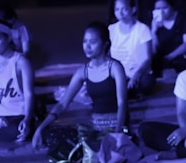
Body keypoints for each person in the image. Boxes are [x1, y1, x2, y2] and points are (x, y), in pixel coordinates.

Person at [32, 21, 129, 149]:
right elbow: (63, 103)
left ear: (105, 44)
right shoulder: (83, 71)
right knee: (51, 134)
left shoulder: (115, 68)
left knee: (100, 147)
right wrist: (41, 127)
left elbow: (122, 103)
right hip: (95, 128)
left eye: (93, 42)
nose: (87, 46)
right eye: (85, 41)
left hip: (117, 126)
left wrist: (117, 134)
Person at [109, 0, 156, 97]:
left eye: (124, 9)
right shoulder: (111, 30)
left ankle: (123, 92)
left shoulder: (142, 29)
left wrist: (136, 76)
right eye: (117, 9)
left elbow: (147, 59)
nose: (120, 13)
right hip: (117, 74)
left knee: (146, 83)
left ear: (133, 9)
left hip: (137, 74)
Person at [150, 0, 186, 78]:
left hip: (181, 57)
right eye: (158, 8)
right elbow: (154, 49)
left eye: (165, 8)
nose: (161, 11)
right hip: (162, 59)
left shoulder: (185, 19)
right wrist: (153, 31)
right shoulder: (156, 22)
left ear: (172, 6)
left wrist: (169, 57)